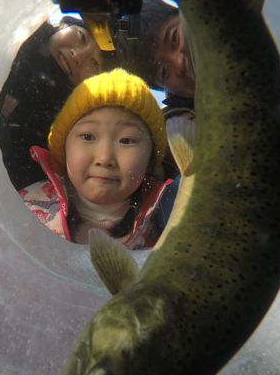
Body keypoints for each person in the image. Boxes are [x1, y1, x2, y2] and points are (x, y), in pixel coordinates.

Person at [18, 69, 173, 249]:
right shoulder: (23, 210)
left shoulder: (168, 219)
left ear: (149, 160)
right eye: (88, 137)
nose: (105, 157)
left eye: (126, 140)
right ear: (64, 148)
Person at [0, 16, 115, 190]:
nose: (78, 55)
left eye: (95, 64)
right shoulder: (23, 26)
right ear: (65, 25)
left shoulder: (53, 133)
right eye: (82, 37)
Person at [136, 0, 266, 111]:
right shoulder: (187, 132)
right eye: (164, 71)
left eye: (174, 38)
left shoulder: (252, 11)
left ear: (186, 15)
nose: (179, 62)